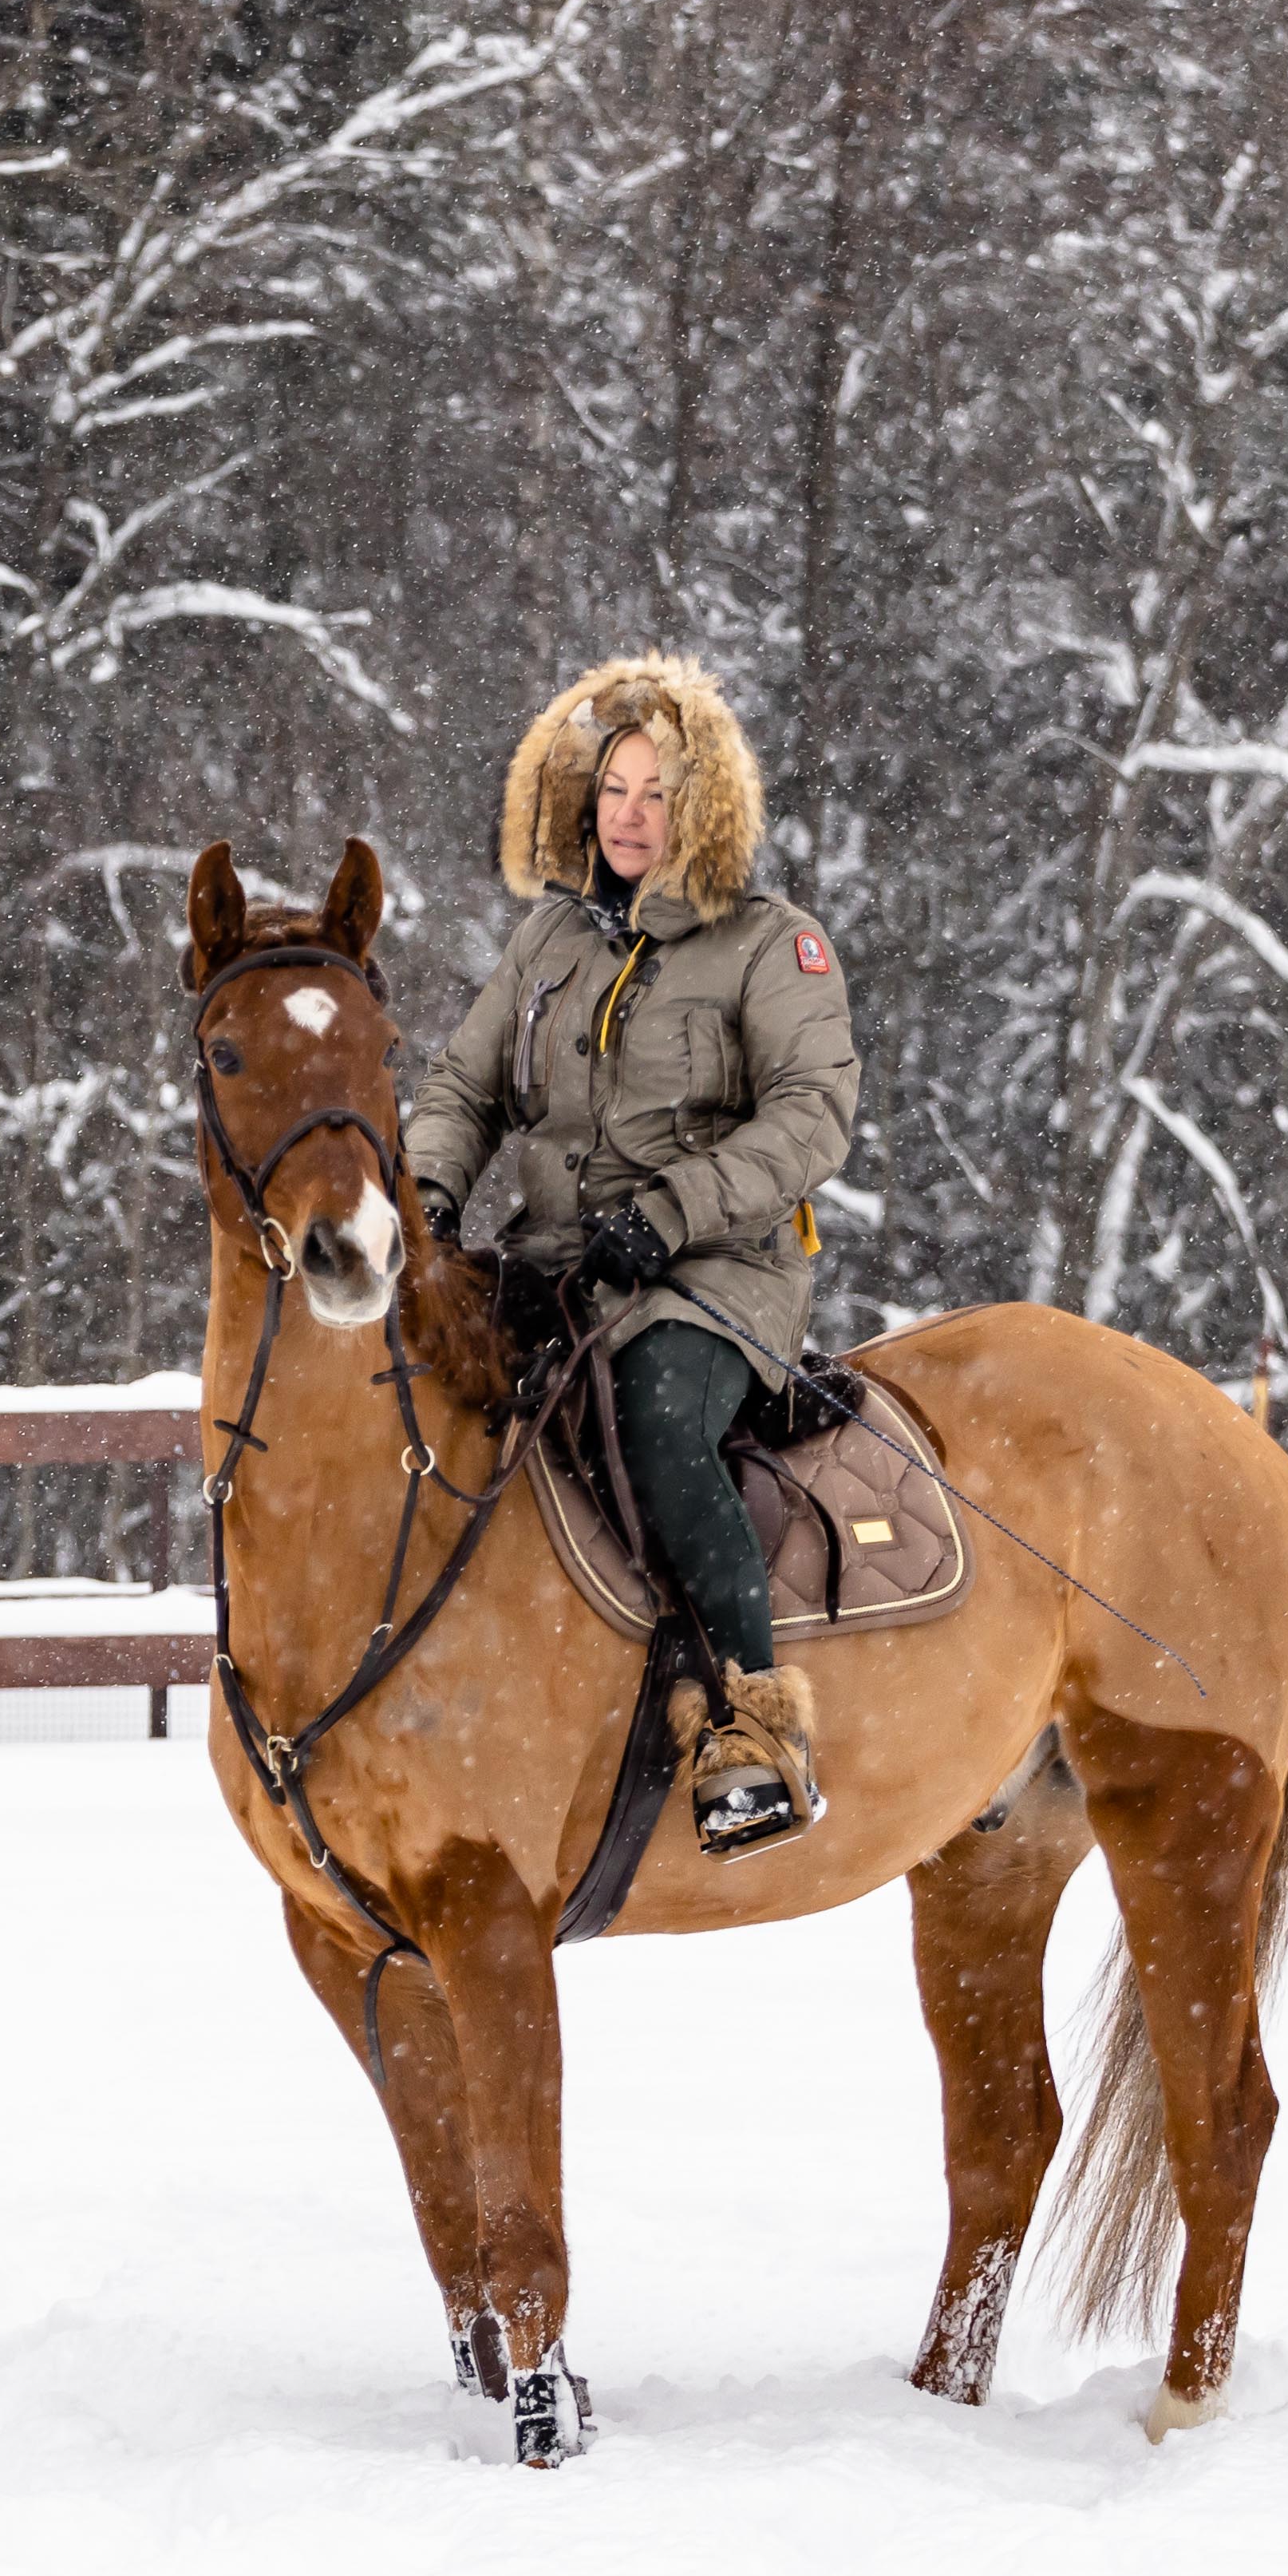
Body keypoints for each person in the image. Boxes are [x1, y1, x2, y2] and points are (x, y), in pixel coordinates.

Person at [402, 654, 860, 1858]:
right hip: (555, 1259)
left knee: (655, 1419)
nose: (629, 814)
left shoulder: (770, 945)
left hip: (713, 1276)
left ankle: (751, 1728)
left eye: (657, 792)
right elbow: (462, 1085)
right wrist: (428, 1193)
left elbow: (811, 1115)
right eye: (612, 787)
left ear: (702, 809)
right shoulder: (547, 942)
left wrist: (670, 1211)